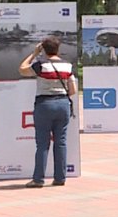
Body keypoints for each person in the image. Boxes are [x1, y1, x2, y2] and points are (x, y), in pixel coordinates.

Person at [19, 35, 76, 187]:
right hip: (63, 104)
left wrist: (34, 53)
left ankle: (38, 179)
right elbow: (73, 90)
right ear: (58, 49)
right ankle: (60, 177)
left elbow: (22, 69)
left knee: (43, 144)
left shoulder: (41, 65)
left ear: (43, 49)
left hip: (44, 105)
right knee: (61, 142)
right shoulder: (68, 66)